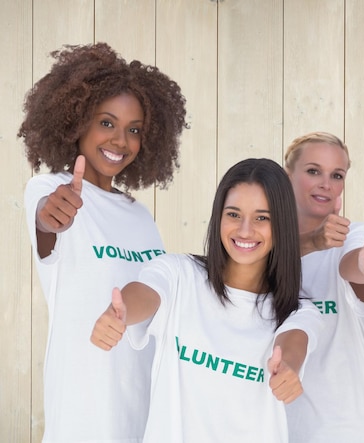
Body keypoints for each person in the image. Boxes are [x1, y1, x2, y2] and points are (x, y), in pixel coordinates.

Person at [19, 42, 187, 442]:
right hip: (84, 415)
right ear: (76, 121)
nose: (120, 141)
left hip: (144, 410)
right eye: (106, 123)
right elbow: (47, 222)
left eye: (134, 130)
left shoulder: (140, 215)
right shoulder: (50, 188)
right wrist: (51, 214)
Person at [90, 158, 322, 442]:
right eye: (234, 214)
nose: (245, 230)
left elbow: (293, 341)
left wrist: (287, 368)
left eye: (262, 217)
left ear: (282, 224)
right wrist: (122, 313)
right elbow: (147, 292)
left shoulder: (299, 311)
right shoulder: (179, 274)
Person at [283, 132, 364, 442]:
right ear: (287, 175)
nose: (325, 183)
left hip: (346, 431)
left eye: (337, 175)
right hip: (277, 428)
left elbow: (353, 265)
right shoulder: (258, 247)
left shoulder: (356, 234)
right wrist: (313, 241)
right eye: (313, 171)